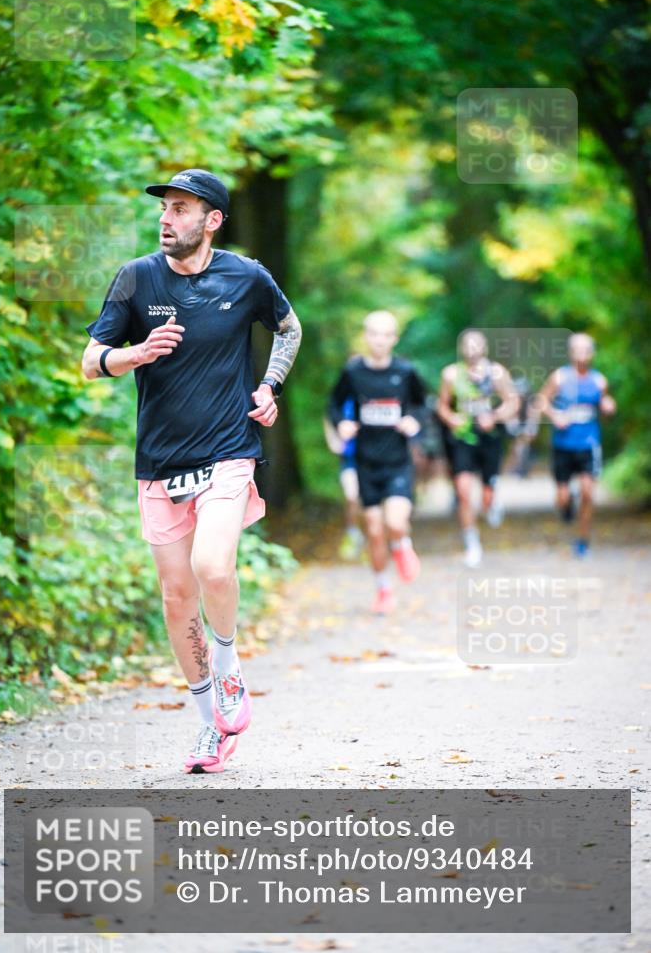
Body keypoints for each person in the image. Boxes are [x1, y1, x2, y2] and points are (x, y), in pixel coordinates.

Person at [81, 169, 301, 772]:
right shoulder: (136, 278)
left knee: (212, 566)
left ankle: (228, 667)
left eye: (181, 208)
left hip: (229, 450)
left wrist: (269, 385)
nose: (166, 217)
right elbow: (91, 361)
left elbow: (289, 327)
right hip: (159, 463)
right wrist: (135, 353)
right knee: (178, 599)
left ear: (212, 221)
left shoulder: (246, 277)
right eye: (165, 208)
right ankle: (211, 726)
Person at [327, 311, 427, 614]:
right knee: (373, 529)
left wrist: (414, 420)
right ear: (366, 336)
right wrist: (341, 424)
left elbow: (423, 404)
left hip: (397, 461)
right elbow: (333, 404)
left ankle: (402, 545)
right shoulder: (353, 372)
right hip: (365, 462)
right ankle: (384, 588)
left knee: (395, 522)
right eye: (374, 334)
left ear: (394, 339)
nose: (380, 340)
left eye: (386, 335)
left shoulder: (406, 371)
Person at [436, 330, 519, 567]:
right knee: (463, 491)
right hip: (463, 438)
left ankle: (491, 500)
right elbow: (442, 407)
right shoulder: (451, 374)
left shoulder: (497, 373)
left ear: (484, 348)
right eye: (467, 345)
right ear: (461, 348)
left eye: (476, 345)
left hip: (489, 438)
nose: (472, 349)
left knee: (486, 494)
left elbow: (513, 402)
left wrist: (494, 416)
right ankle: (472, 544)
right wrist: (451, 418)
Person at [536, 332, 616, 557]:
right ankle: (567, 503)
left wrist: (609, 406)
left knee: (588, 492)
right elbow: (541, 401)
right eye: (577, 349)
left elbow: (605, 405)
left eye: (586, 350)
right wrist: (554, 415)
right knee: (562, 497)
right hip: (563, 445)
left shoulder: (599, 381)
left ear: (592, 353)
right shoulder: (560, 377)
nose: (582, 354)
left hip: (589, 444)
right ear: (571, 353)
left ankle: (583, 540)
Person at [323, 398, 365, 562]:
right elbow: (328, 414)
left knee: (368, 502)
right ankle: (353, 533)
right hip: (349, 458)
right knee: (351, 496)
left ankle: (371, 538)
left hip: (372, 458)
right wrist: (333, 440)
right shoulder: (342, 397)